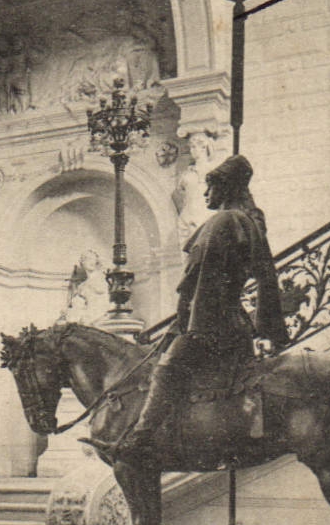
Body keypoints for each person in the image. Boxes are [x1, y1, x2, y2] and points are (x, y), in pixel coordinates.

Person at [113, 154, 287, 459]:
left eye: (210, 187)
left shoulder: (226, 221)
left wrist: (187, 322)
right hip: (227, 320)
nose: (205, 194)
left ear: (226, 187)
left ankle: (139, 441)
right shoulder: (243, 221)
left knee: (166, 369)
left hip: (214, 323)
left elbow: (203, 279)